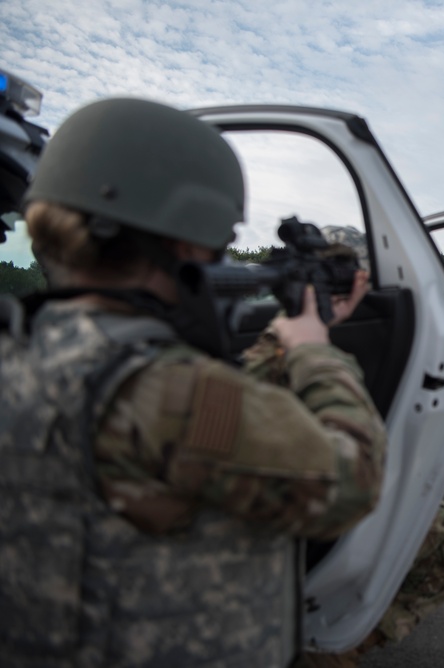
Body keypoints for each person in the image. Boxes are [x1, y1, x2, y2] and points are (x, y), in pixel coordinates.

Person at [0, 98, 386, 667]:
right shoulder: (161, 389)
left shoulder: (24, 349)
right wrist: (314, 351)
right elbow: (353, 479)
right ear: (185, 237)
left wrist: (283, 337)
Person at [243, 225, 444, 668]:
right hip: (314, 510)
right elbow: (353, 478)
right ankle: (336, 647)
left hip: (282, 509)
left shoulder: (273, 337)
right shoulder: (328, 346)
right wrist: (315, 347)